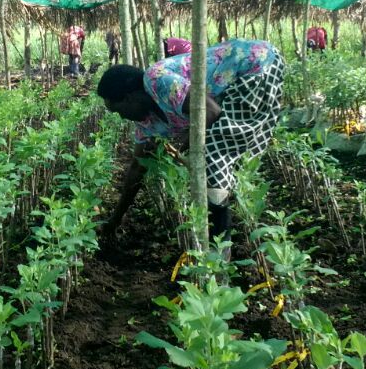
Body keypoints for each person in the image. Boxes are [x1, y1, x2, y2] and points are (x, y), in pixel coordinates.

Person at [97, 39, 285, 247]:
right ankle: (220, 237)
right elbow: (136, 169)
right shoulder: (147, 123)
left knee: (213, 153)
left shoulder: (156, 80)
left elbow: (211, 112)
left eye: (118, 110)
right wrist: (114, 220)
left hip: (254, 63)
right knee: (218, 158)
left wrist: (180, 143)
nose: (122, 118)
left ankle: (219, 248)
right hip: (236, 82)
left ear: (130, 97)